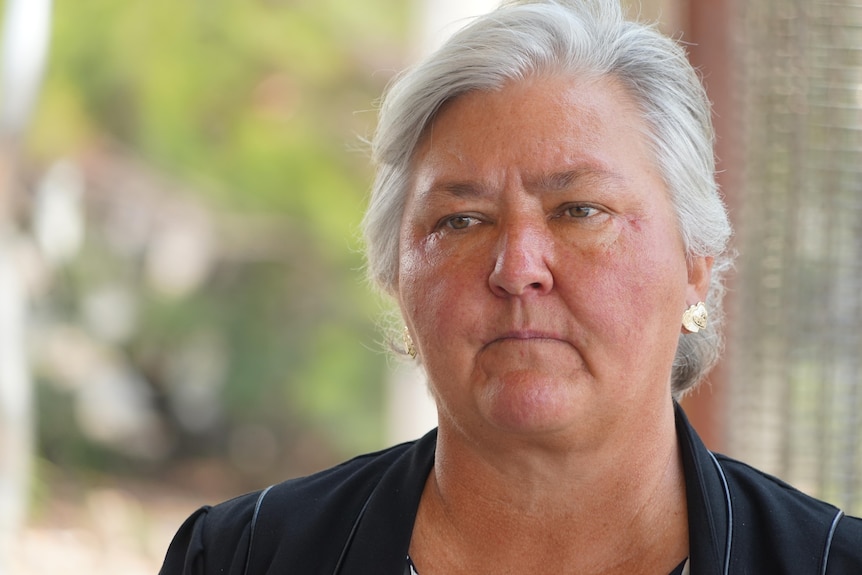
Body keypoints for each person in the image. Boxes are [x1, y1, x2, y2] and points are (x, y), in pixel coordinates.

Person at [159, 1, 862, 573]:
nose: (517, 265)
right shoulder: (243, 555)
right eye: (461, 220)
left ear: (695, 264)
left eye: (580, 210)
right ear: (397, 283)